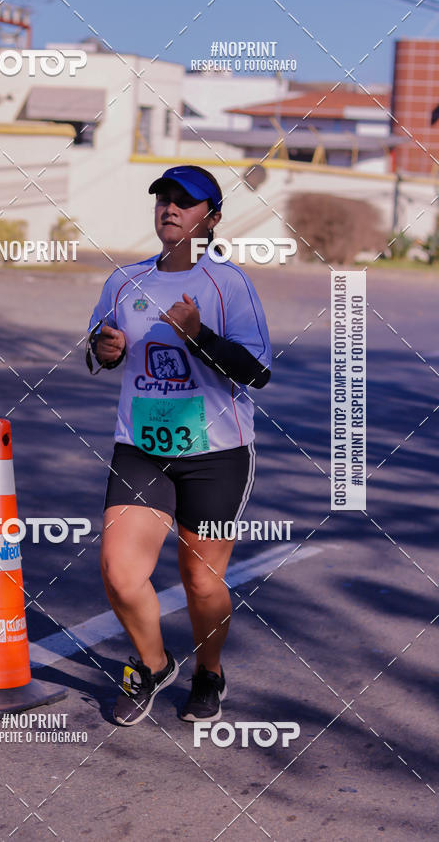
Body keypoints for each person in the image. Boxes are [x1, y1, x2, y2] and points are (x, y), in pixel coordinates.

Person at [86, 165, 271, 726]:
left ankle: (209, 672)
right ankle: (154, 663)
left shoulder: (229, 284)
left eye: (185, 202)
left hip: (216, 454)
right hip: (142, 446)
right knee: (120, 572)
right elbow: (96, 352)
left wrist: (201, 338)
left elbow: (257, 372)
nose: (170, 207)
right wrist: (106, 348)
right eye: (163, 198)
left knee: (200, 579)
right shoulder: (124, 281)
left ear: (211, 219)